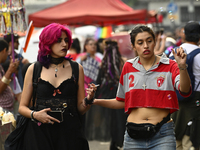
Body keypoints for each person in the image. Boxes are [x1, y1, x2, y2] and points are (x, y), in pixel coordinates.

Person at [93, 24, 191, 150]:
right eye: (140, 42)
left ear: (155, 42)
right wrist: (94, 101)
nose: (145, 46)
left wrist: (182, 66)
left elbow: (185, 89)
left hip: (163, 135)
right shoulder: (128, 66)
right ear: (133, 46)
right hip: (133, 136)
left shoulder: (170, 65)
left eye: (149, 41)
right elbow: (121, 100)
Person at [18, 23, 97, 150]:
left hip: (69, 134)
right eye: (59, 40)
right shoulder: (34, 69)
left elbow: (80, 110)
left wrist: (88, 99)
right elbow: (22, 107)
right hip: (39, 134)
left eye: (66, 40)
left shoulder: (77, 68)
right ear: (48, 42)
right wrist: (35, 114)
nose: (64, 44)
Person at [170, 21, 200, 150]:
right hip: (196, 103)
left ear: (184, 35)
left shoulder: (173, 53)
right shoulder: (198, 54)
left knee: (177, 140)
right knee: (191, 140)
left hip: (176, 100)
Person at [0, 39, 20, 113]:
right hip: (3, 110)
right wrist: (10, 70)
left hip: (6, 109)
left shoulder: (0, 66)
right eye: (8, 53)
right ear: (4, 50)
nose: (8, 55)